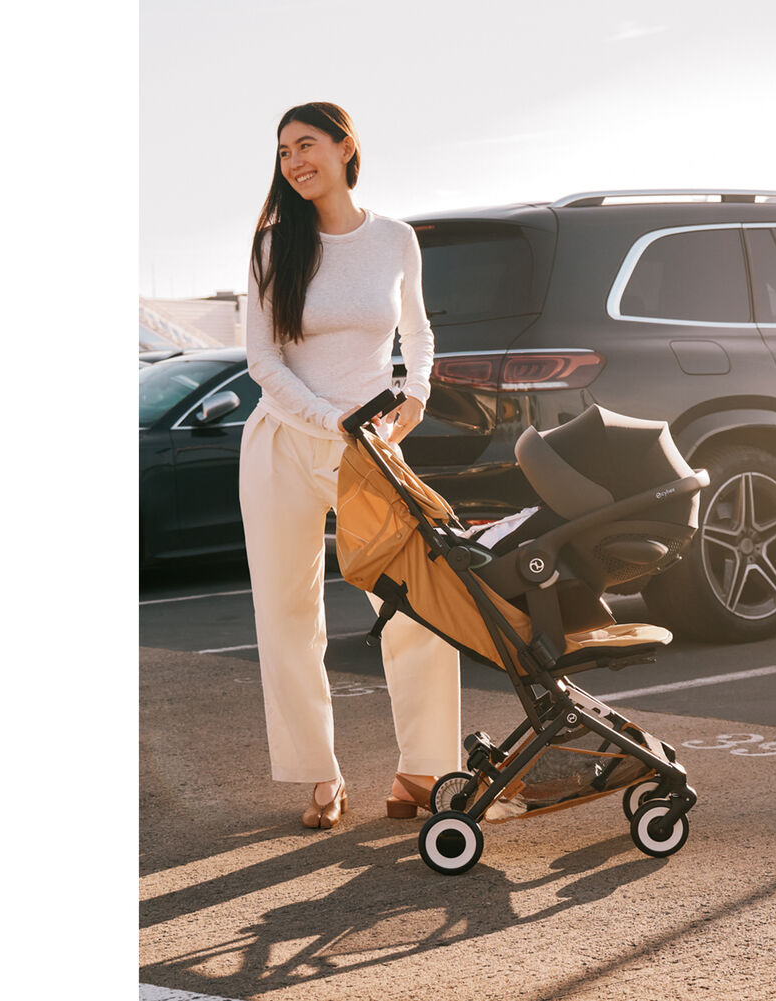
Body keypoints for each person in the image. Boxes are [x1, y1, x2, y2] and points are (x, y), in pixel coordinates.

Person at [239, 102, 461, 830]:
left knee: (417, 602)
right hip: (283, 445)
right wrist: (325, 417)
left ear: (345, 148)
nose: (294, 161)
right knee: (288, 615)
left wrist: (417, 393)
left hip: (370, 452)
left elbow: (418, 330)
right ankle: (321, 777)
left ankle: (424, 769)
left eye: (306, 145)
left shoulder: (394, 240)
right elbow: (263, 359)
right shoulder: (274, 247)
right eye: (283, 152)